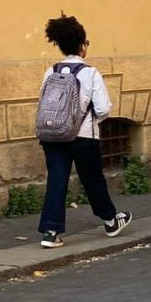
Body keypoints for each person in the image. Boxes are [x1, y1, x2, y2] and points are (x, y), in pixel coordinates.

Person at [36, 15, 131, 249]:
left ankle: (50, 231)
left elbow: (43, 101)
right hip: (83, 136)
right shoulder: (90, 73)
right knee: (92, 180)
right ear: (82, 45)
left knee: (56, 180)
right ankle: (110, 221)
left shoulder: (51, 71)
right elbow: (103, 108)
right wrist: (90, 119)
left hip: (53, 135)